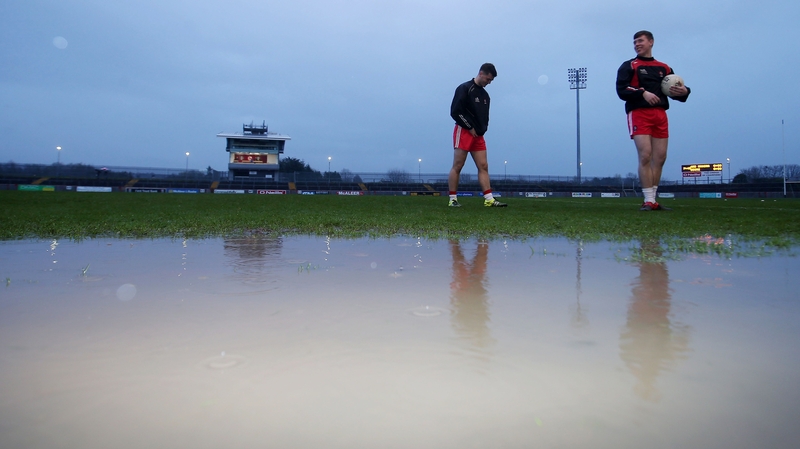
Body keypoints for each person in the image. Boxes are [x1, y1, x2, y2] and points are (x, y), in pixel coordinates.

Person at [616, 31, 690, 211]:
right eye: (635, 42)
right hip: (640, 113)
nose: (637, 44)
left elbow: (675, 91)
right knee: (645, 155)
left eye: (640, 41)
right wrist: (642, 93)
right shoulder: (629, 65)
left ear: (651, 42)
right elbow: (621, 90)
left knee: (660, 157)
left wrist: (685, 91)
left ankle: (653, 200)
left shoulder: (664, 68)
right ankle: (648, 200)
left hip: (660, 114)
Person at [448, 63, 507, 207]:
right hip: (464, 131)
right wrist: (469, 126)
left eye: (491, 80)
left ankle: (489, 199)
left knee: (483, 165)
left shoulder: (485, 95)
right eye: (488, 79)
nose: (489, 82)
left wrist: (482, 129)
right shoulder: (465, 88)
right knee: (458, 165)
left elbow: (485, 117)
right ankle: (453, 199)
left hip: (478, 136)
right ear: (481, 73)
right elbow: (455, 112)